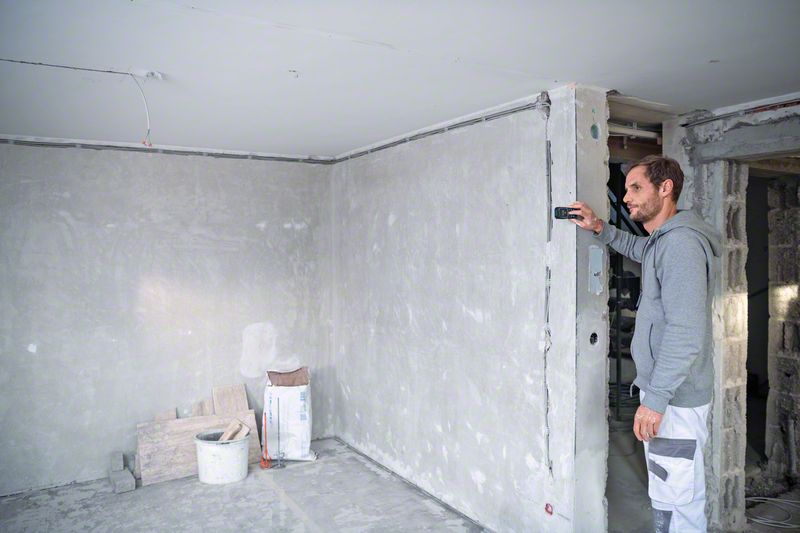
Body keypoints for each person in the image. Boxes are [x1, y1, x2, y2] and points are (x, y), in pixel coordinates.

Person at [569, 155, 721, 533]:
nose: (626, 198)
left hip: (674, 399)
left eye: (636, 188)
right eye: (626, 189)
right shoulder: (662, 242)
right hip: (668, 394)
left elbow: (685, 331)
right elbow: (640, 250)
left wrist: (655, 399)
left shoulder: (681, 245)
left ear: (665, 188)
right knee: (671, 493)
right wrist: (600, 228)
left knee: (677, 501)